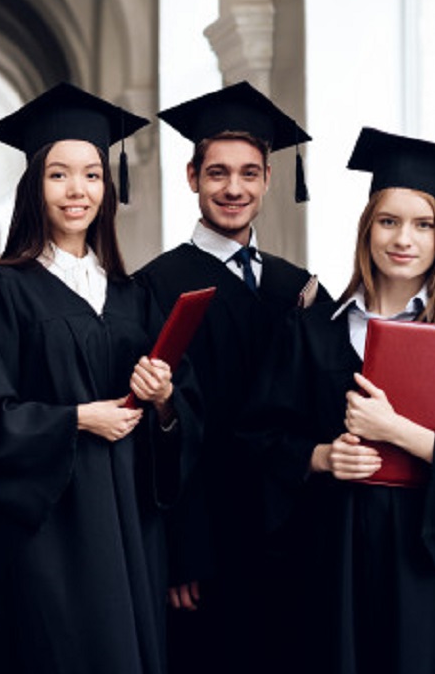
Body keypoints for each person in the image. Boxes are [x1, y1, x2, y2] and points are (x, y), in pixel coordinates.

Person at [247, 128, 435, 674]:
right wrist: (322, 456)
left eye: (423, 224)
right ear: (367, 229)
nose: (404, 238)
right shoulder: (310, 332)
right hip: (335, 564)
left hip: (433, 572)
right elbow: (258, 442)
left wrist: (400, 431)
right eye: (389, 221)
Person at [0, 83, 200, 674]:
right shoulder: (1, 289)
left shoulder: (133, 295)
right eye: (59, 175)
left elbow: (180, 420)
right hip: (51, 530)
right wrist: (77, 419)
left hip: (133, 525)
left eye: (92, 175)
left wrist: (165, 400)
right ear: (34, 187)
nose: (78, 191)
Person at [132, 81, 331, 672]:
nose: (234, 188)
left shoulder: (297, 287)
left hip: (290, 529)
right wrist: (181, 550)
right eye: (217, 172)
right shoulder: (156, 286)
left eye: (249, 172)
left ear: (269, 178)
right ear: (191, 176)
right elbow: (159, 430)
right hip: (208, 539)